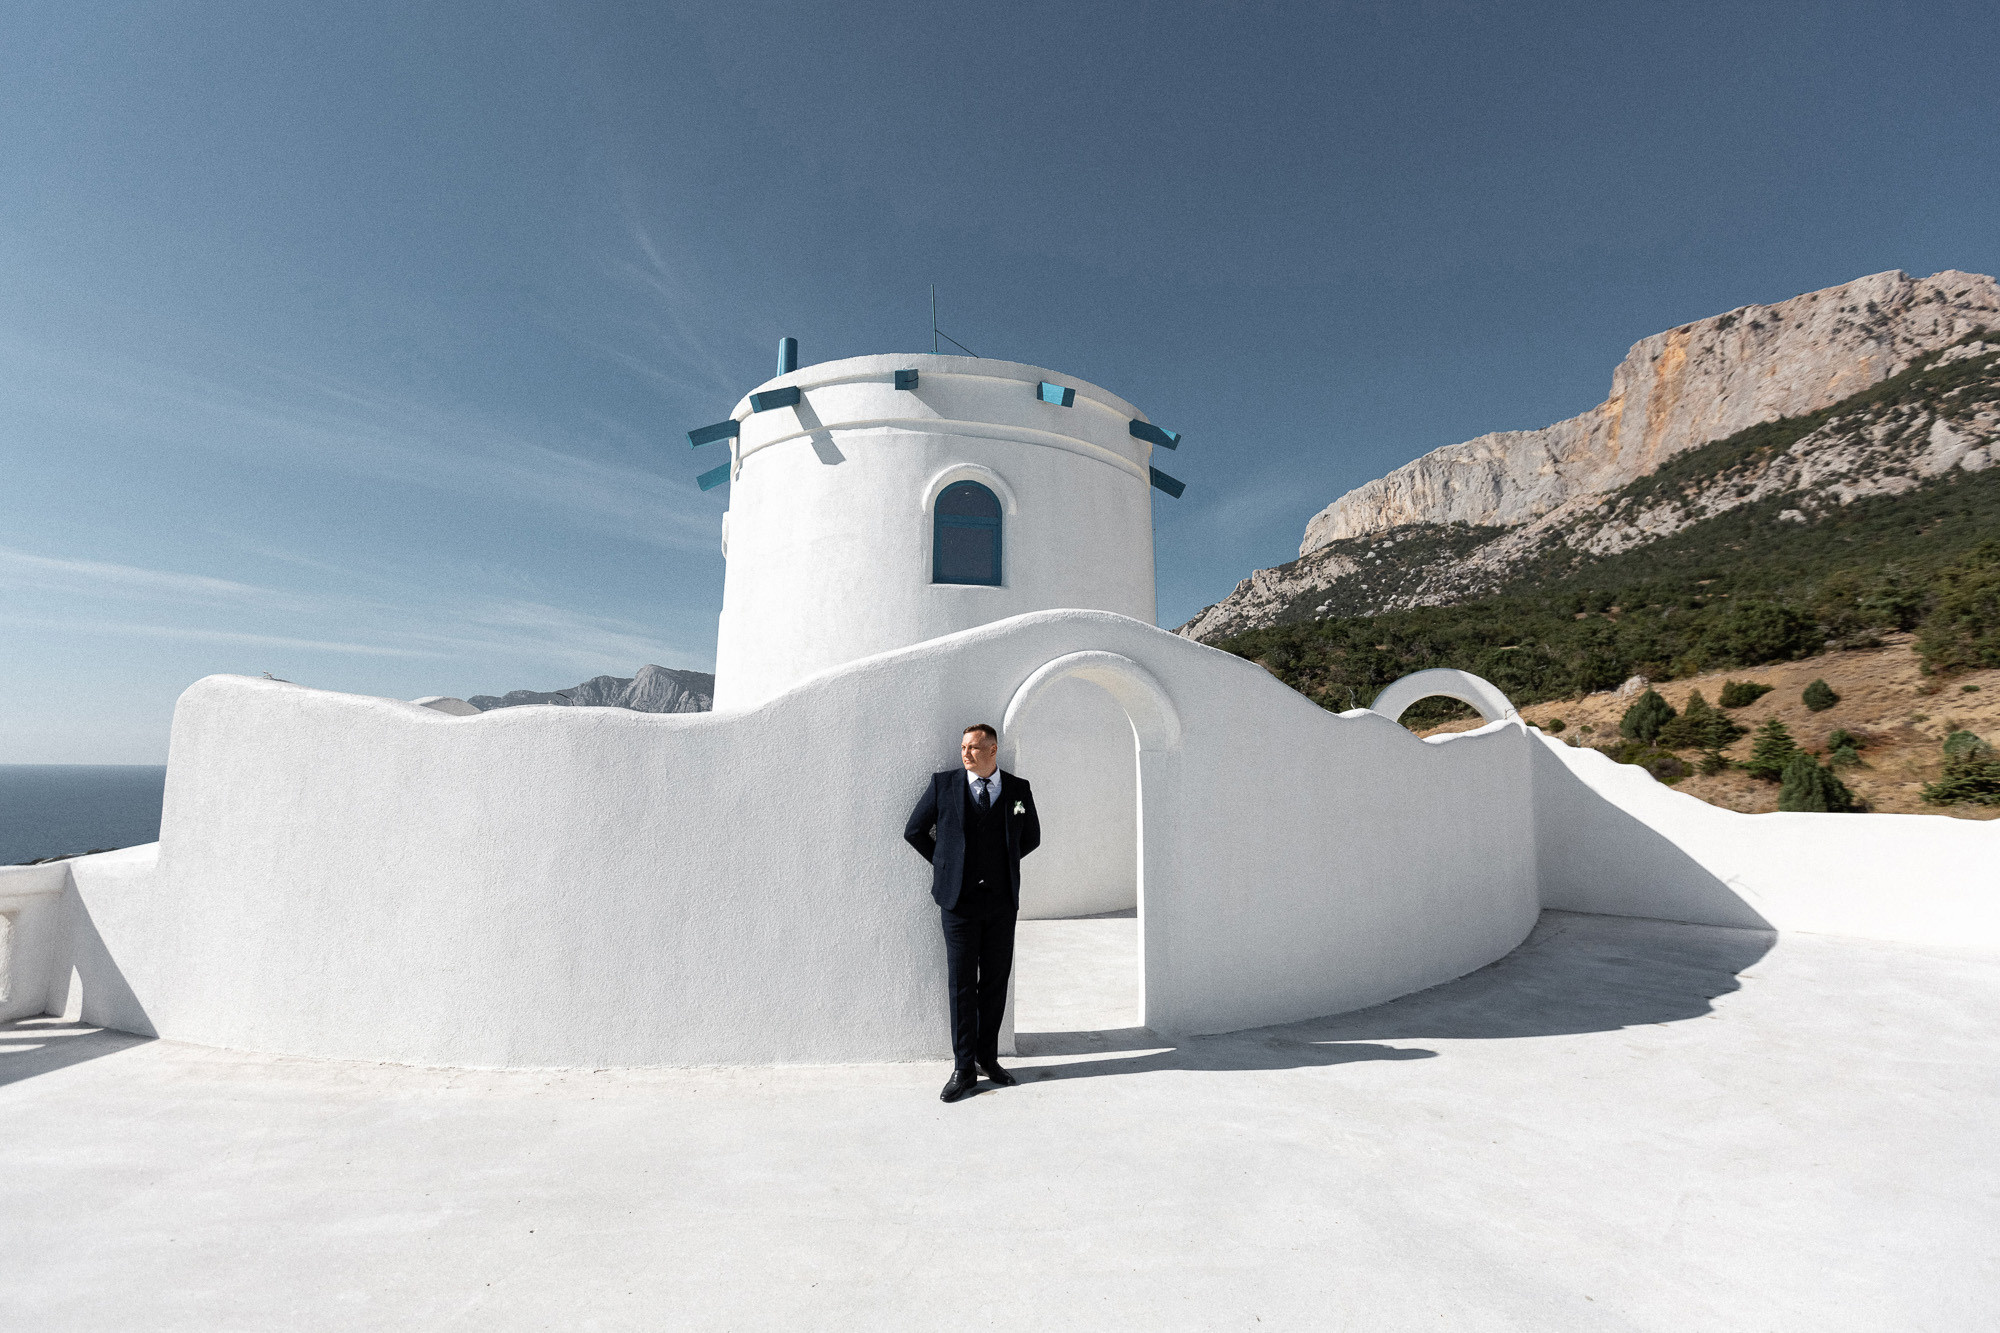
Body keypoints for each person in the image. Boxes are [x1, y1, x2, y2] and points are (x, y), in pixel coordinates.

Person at [903, 723, 1041, 1103]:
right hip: (958, 905)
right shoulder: (944, 785)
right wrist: (949, 867)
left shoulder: (1017, 790)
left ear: (992, 751)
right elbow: (914, 831)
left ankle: (988, 1059)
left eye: (974, 748)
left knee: (995, 983)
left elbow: (1031, 837)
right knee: (962, 985)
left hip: (1000, 904)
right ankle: (963, 1068)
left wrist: (1000, 868)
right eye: (963, 747)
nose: (965, 754)